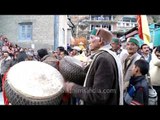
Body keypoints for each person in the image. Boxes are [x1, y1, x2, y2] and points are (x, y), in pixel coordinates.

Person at [64, 28, 123, 105]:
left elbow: (98, 96)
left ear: (100, 40)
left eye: (92, 38)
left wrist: (72, 88)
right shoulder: (106, 56)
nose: (89, 41)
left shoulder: (104, 59)